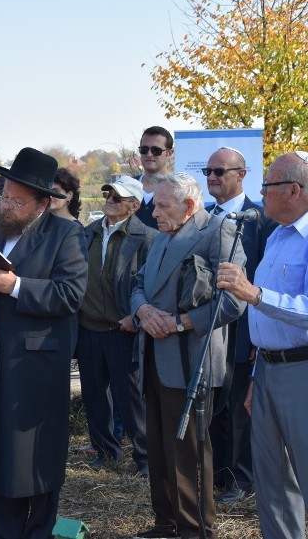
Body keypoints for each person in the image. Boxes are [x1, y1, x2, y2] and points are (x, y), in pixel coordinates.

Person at [217, 151, 308, 539]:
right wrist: (255, 374)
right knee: (273, 483)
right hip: (269, 369)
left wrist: (252, 292)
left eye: (266, 186)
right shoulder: (281, 234)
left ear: (294, 190)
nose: (260, 193)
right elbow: (268, 322)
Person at [0, 147, 88, 539]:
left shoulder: (66, 234)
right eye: (3, 196)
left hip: (34, 369)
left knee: (34, 459)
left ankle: (37, 531)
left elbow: (70, 295)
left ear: (42, 203)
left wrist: (13, 286)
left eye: (16, 200)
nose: (7, 206)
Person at [130, 173, 246, 539]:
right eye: (154, 204)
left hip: (189, 361)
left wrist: (180, 323)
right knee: (160, 448)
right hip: (153, 355)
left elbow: (233, 301)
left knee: (188, 452)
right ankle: (166, 523)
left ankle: (196, 530)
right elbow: (138, 284)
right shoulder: (162, 235)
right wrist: (143, 312)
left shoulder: (218, 232)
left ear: (189, 206)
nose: (155, 213)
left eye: (162, 206)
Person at [202, 147, 275, 503]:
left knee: (238, 407)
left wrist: (258, 337)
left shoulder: (263, 220)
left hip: (246, 329)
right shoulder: (201, 218)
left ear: (242, 174)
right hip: (208, 326)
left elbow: (267, 280)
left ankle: (241, 479)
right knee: (213, 402)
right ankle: (215, 474)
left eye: (219, 171)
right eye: (208, 172)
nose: (212, 177)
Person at [77, 175, 156, 475]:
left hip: (124, 330)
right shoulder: (88, 233)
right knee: (94, 395)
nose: (111, 199)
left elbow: (153, 285)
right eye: (109, 193)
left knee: (131, 399)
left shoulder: (148, 238)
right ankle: (105, 452)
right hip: (88, 328)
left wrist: (137, 318)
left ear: (134, 206)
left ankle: (146, 459)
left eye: (118, 197)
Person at [133, 126, 174, 228]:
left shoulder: (178, 189)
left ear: (169, 153)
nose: (149, 154)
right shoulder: (127, 186)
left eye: (156, 150)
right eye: (144, 149)